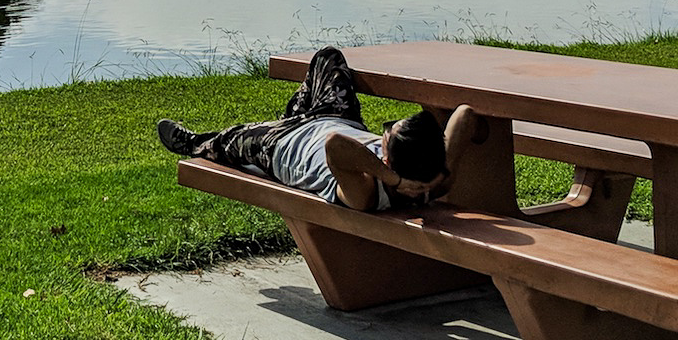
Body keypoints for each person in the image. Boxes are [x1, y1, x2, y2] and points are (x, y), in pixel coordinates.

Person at [156, 45, 475, 211]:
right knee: (328, 58)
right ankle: (295, 114)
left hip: (281, 146)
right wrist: (444, 165)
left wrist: (392, 179)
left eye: (386, 135)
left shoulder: (365, 194)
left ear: (388, 160)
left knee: (226, 142)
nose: (383, 134)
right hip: (336, 119)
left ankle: (191, 143)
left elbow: (336, 145)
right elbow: (465, 113)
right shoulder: (439, 180)